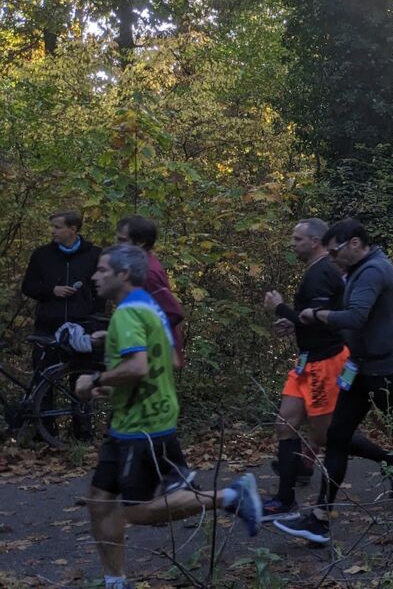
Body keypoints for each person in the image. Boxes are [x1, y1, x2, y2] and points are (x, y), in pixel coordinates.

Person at [78, 245, 260, 589]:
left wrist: (96, 380)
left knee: (137, 511)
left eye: (102, 270)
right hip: (133, 419)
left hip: (143, 426)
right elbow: (163, 363)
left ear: (123, 274)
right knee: (100, 500)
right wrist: (114, 387)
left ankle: (232, 496)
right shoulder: (149, 305)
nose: (94, 276)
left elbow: (137, 367)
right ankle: (114, 581)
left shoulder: (127, 314)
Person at [274, 219, 393, 544]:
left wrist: (315, 315)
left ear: (354, 244)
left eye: (334, 251)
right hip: (359, 368)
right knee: (337, 437)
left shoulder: (371, 270)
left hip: (384, 370)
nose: (331, 257)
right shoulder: (362, 268)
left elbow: (355, 317)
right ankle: (320, 518)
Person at [260, 219, 348, 520]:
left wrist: (280, 308)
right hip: (306, 361)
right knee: (285, 424)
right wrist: (292, 322)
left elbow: (322, 320)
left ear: (315, 241)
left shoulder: (323, 272)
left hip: (326, 362)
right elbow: (311, 318)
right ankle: (285, 501)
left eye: (297, 239)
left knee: (325, 436)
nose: (292, 244)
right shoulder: (315, 270)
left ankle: (390, 458)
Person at [116, 216, 186, 368]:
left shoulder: (147, 273)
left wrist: (141, 337)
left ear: (140, 242)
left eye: (122, 241)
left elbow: (173, 312)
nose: (117, 245)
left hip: (155, 356)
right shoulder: (138, 266)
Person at [22, 211, 105, 336]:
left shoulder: (94, 254)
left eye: (57, 227)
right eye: (52, 226)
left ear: (72, 229)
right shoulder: (41, 254)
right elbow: (28, 286)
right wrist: (52, 290)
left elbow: (102, 291)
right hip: (47, 326)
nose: (52, 231)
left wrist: (94, 321)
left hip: (83, 326)